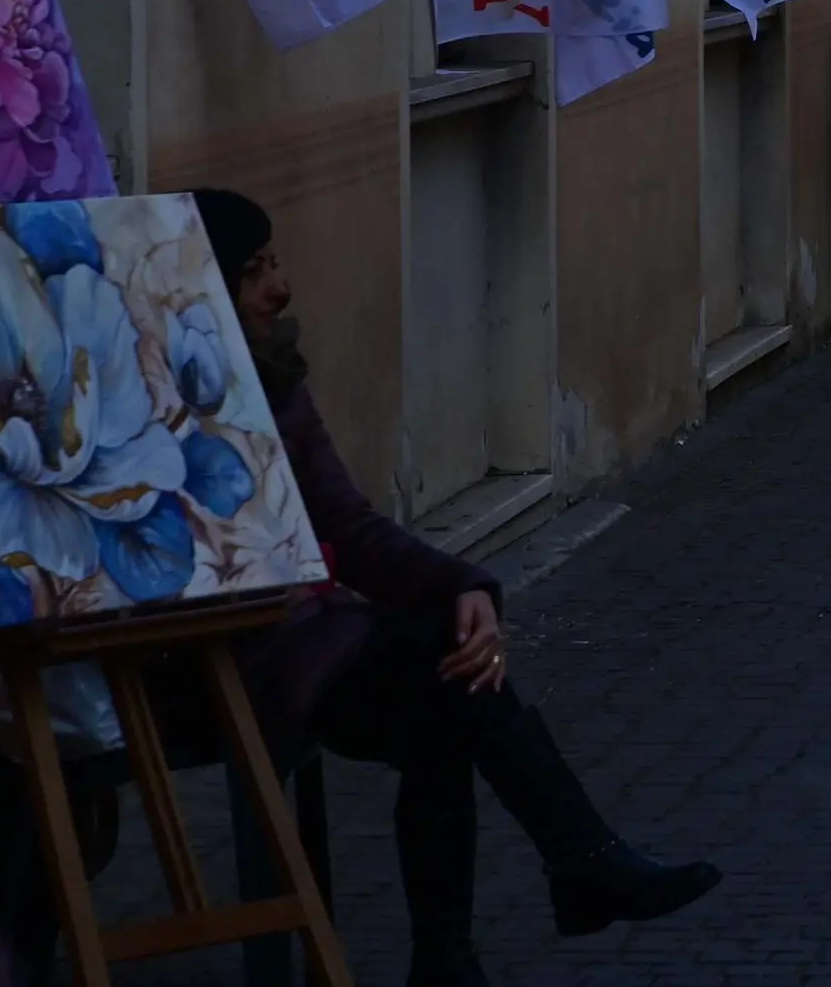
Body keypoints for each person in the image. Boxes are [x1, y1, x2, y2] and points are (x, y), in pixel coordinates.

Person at [192, 191, 716, 987]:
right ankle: (570, 872)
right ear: (201, 284)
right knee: (444, 667)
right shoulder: (160, 403)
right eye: (253, 271)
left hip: (311, 646)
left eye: (275, 263)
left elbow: (351, 523)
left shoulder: (273, 378)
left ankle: (462, 951)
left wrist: (466, 584)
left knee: (448, 688)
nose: (280, 286)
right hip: (227, 663)